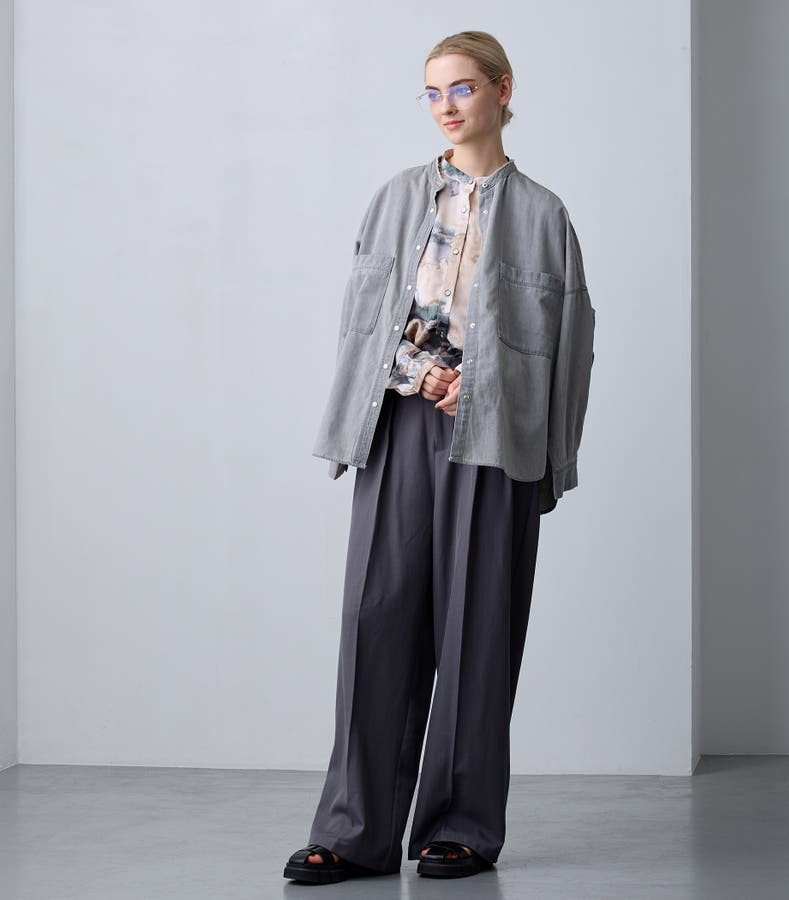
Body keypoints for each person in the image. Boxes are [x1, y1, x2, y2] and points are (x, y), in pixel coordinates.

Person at [284, 30, 595, 885]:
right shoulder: (393, 200)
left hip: (497, 441)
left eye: (461, 88)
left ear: (501, 90)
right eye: (432, 92)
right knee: (376, 616)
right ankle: (354, 831)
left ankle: (458, 825)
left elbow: (569, 346)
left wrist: (514, 418)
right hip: (397, 425)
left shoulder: (545, 217)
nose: (446, 106)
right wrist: (418, 376)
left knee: (478, 626)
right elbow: (363, 321)